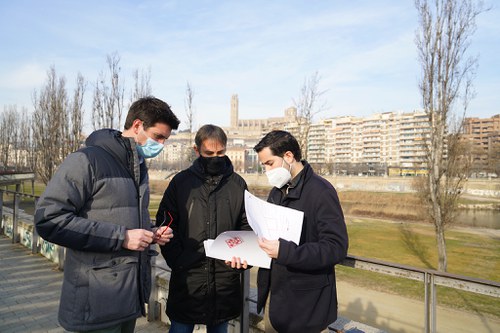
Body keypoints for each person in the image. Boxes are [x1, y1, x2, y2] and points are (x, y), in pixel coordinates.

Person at [35, 96, 180, 333]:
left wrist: (150, 233)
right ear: (137, 126)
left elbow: (119, 215)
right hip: (95, 299)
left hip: (127, 296)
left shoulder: (137, 165)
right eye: (158, 137)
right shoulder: (86, 160)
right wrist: (122, 237)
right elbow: (48, 219)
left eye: (165, 139)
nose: (161, 145)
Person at [156, 124, 250, 333]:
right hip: (187, 280)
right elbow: (166, 222)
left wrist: (242, 257)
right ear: (196, 150)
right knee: (180, 329)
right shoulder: (181, 183)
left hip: (224, 281)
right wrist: (178, 261)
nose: (215, 157)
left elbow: (248, 227)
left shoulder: (237, 184)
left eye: (220, 153)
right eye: (209, 153)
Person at [253, 130, 349, 333]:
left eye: (269, 163)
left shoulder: (321, 192)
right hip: (276, 301)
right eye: (264, 166)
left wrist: (286, 252)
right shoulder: (277, 191)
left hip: (307, 308)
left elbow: (336, 248)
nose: (267, 171)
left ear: (289, 156)